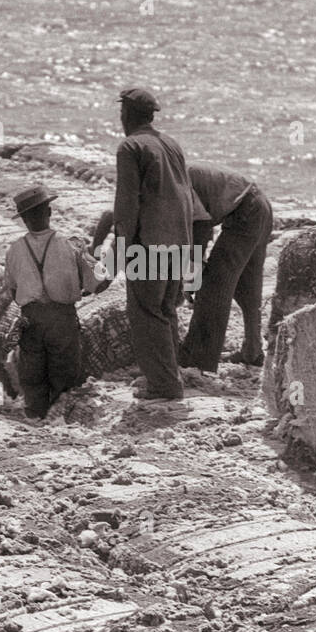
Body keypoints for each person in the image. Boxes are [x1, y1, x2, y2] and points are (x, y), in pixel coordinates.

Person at [0, 185, 107, 418]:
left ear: (23, 219)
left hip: (30, 319)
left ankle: (35, 417)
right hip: (62, 319)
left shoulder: (14, 250)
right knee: (64, 373)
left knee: (33, 374)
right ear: (49, 211)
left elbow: (12, 291)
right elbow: (97, 284)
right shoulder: (70, 245)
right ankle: (61, 419)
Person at [112, 87, 193, 401]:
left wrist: (122, 247)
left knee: (146, 313)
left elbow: (127, 205)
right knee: (166, 311)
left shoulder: (130, 147)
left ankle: (163, 385)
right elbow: (185, 196)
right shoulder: (171, 144)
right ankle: (169, 375)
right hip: (181, 244)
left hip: (150, 245)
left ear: (126, 114)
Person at [176, 163, 273, 370]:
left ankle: (199, 361)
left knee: (214, 286)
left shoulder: (176, 184)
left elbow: (200, 228)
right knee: (247, 286)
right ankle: (253, 348)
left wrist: (193, 277)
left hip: (247, 210)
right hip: (258, 204)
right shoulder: (177, 175)